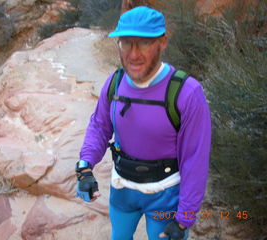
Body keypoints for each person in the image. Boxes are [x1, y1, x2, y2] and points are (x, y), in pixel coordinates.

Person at [75, 6, 211, 240]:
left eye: (144, 43)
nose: (134, 54)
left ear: (163, 42)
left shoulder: (186, 93)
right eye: (126, 42)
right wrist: (84, 167)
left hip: (166, 197)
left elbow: (195, 160)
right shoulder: (115, 83)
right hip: (122, 191)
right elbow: (99, 126)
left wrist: (184, 218)